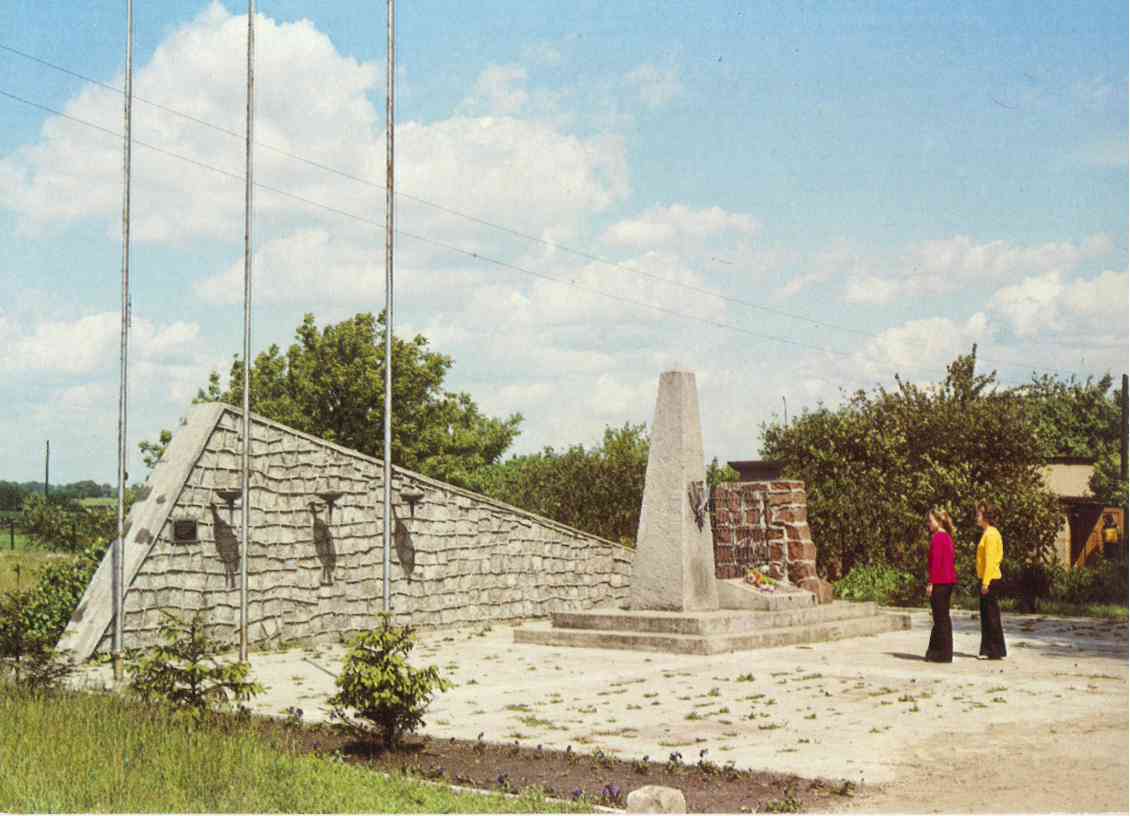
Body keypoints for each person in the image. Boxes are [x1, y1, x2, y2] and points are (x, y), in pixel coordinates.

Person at [975, 502, 1007, 660]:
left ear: (986, 516)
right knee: (987, 615)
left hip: (990, 579)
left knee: (991, 616)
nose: (976, 517)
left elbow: (991, 560)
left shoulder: (991, 535)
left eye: (978, 514)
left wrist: (985, 582)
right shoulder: (987, 533)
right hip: (987, 578)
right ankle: (989, 649)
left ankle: (995, 650)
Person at [925, 509, 957, 662]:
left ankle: (942, 654)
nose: (929, 524)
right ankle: (941, 652)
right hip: (948, 581)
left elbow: (936, 563)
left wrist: (931, 583)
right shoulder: (948, 537)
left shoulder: (938, 537)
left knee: (940, 619)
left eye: (930, 521)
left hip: (940, 582)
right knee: (943, 618)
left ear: (938, 521)